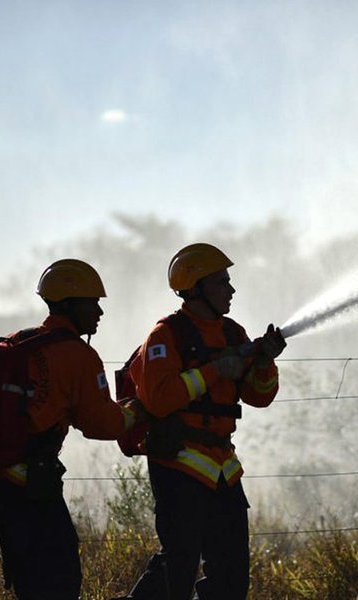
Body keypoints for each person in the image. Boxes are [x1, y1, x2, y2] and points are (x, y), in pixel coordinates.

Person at [116, 243, 286, 600]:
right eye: (222, 282)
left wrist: (264, 361)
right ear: (195, 288)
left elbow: (259, 396)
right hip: (179, 466)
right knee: (178, 569)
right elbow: (158, 399)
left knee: (231, 577)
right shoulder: (165, 336)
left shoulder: (233, 333)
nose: (231, 290)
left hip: (224, 469)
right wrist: (214, 371)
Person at [0, 259, 138, 600]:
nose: (99, 311)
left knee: (29, 581)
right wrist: (135, 411)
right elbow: (101, 424)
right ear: (69, 304)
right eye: (92, 303)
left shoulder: (16, 342)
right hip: (32, 483)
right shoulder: (77, 355)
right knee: (61, 577)